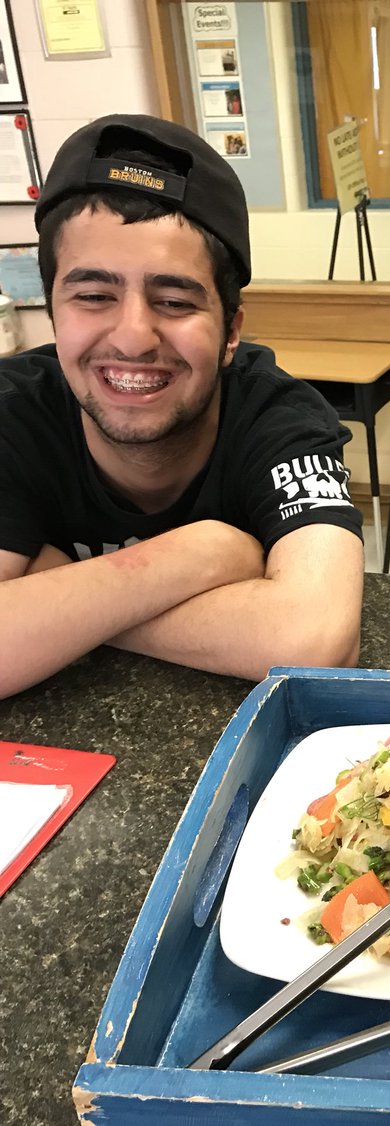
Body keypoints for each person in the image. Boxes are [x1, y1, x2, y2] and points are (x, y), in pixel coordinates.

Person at [0, 114, 364, 700]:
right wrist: (204, 552)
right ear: (52, 313)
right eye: (93, 296)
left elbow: (315, 638)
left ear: (230, 331)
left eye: (173, 300)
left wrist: (54, 594)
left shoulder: (282, 419)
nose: (133, 338)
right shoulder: (13, 411)